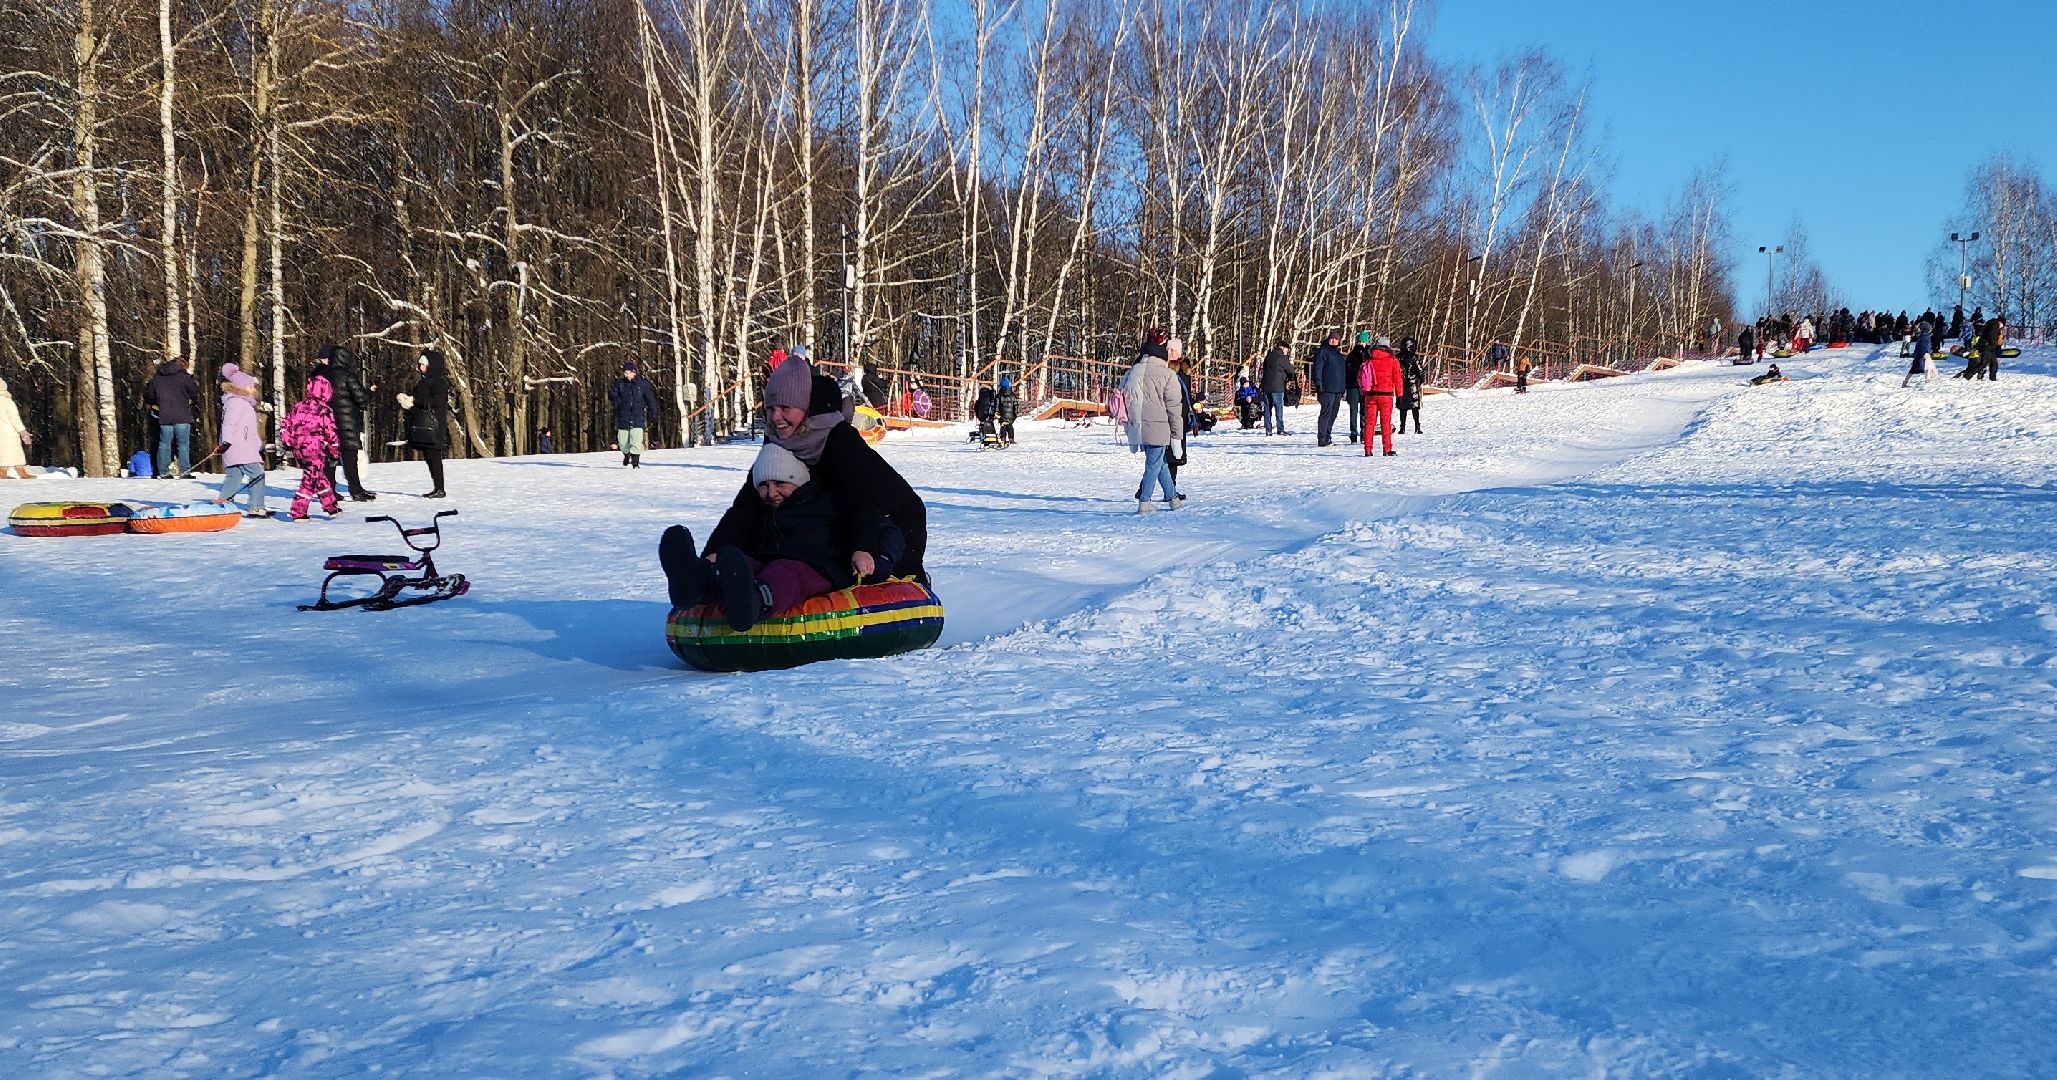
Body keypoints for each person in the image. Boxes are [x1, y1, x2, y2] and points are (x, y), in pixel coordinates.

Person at [710, 356, 929, 583]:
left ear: (804, 407)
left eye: (785, 408)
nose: (776, 417)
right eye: (770, 408)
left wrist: (863, 547)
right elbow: (748, 502)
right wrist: (716, 550)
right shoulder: (779, 434)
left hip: (894, 519)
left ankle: (909, 579)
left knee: (861, 551)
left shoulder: (836, 436)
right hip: (837, 514)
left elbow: (860, 496)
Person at [659, 442, 896, 631]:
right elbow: (737, 526)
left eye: (781, 483)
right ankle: (694, 585)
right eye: (763, 485)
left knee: (785, 573)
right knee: (738, 563)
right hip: (766, 559)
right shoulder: (763, 511)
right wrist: (715, 557)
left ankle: (755, 603)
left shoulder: (828, 504)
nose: (771, 493)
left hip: (816, 565)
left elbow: (882, 530)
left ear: (799, 480)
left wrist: (876, 558)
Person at [1121, 335, 1184, 513]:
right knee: (1153, 464)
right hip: (1159, 427)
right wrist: (1177, 437)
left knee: (1160, 463)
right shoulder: (1168, 374)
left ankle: (1173, 499)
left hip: (1137, 426)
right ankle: (1144, 501)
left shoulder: (1133, 371)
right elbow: (1174, 409)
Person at [279, 375, 342, 520]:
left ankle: (331, 506)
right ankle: (298, 511)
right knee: (310, 479)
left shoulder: (297, 407)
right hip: (315, 447)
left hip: (298, 448)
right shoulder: (324, 410)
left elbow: (285, 426)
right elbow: (330, 432)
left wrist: (288, 442)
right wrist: (334, 451)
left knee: (318, 477)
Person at [212, 363, 270, 517]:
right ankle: (256, 507)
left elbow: (250, 431)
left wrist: (259, 447)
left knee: (234, 476)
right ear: (241, 387)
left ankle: (222, 504)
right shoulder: (236, 402)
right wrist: (226, 442)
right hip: (238, 447)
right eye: (250, 387)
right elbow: (229, 424)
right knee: (257, 474)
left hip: (241, 448)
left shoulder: (243, 403)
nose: (253, 390)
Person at [319, 344, 375, 500]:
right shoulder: (347, 376)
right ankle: (356, 490)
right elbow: (362, 399)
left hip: (327, 423)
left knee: (330, 459)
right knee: (350, 459)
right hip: (347, 424)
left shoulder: (322, 376)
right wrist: (370, 392)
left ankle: (329, 491)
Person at [398, 350, 449, 498]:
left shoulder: (439, 382)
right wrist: (409, 403)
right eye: (420, 364)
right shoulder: (424, 381)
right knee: (429, 458)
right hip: (423, 425)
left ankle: (440, 488)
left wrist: (414, 401)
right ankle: (437, 487)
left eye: (424, 364)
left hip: (434, 426)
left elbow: (437, 401)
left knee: (434, 457)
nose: (421, 367)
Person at [144, 357, 202, 478]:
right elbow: (194, 392)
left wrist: (159, 403)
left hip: (164, 414)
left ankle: (163, 472)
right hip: (182, 415)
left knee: (164, 444)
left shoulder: (157, 377)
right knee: (183, 444)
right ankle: (185, 471)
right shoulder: (184, 377)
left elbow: (149, 394)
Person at [608, 359, 660, 468]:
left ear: (634, 372)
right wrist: (616, 401)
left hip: (638, 417)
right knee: (623, 443)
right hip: (623, 417)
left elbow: (650, 399)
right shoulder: (619, 384)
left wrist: (653, 412)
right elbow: (612, 395)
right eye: (625, 373)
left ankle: (635, 464)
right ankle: (626, 455)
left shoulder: (642, 384)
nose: (627, 375)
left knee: (636, 442)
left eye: (629, 373)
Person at [1359, 336, 1402, 457]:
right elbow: (1398, 379)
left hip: (1370, 395)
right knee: (1385, 423)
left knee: (1369, 422)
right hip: (1386, 395)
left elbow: (1363, 376)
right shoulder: (1392, 360)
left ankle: (1368, 449)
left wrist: (1363, 392)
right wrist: (1399, 395)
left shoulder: (1369, 358)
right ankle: (1387, 449)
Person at [1310, 330, 1349, 446]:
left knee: (1333, 414)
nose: (1334, 341)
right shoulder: (1322, 352)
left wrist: (1344, 387)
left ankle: (1328, 435)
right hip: (1326, 388)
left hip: (1338, 389)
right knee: (1326, 413)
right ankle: (1322, 437)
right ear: (1328, 339)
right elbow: (1318, 369)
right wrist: (1318, 384)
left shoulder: (1339, 354)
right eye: (1332, 338)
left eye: (1336, 339)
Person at [0, 375, 32, 479]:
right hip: (9, 432)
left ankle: (2, 472)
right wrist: (23, 431)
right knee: (15, 451)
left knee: (2, 452)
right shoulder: (7, 401)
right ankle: (21, 471)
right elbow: (14, 418)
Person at [1259, 339, 1292, 435]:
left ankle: (1268, 430)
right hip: (1277, 387)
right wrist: (1289, 378)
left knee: (1267, 408)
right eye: (1287, 350)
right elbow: (1290, 370)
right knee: (1279, 408)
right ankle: (1280, 429)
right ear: (1283, 348)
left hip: (1266, 386)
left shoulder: (1268, 356)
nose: (1287, 352)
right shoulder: (1282, 357)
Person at [1395, 338, 1426, 434]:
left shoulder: (1397, 357)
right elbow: (1420, 370)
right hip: (1413, 384)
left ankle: (1402, 427)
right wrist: (1421, 380)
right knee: (1415, 406)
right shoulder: (1414, 357)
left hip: (1401, 384)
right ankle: (1417, 426)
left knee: (1402, 407)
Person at [1344, 332, 1370, 443]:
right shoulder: (1352, 355)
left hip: (1365, 386)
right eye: (1360, 342)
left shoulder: (1369, 354)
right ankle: (1353, 433)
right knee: (1353, 410)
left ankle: (1364, 432)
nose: (1361, 344)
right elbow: (1348, 369)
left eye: (1363, 342)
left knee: (1365, 410)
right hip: (1353, 385)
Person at [1903, 321, 1933, 388]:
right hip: (1922, 356)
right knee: (1926, 368)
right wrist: (1925, 353)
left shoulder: (1923, 336)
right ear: (1927, 329)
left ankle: (1904, 383)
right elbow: (1924, 346)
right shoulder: (1925, 337)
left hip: (1919, 356)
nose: (1931, 329)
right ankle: (1927, 382)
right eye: (1930, 328)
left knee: (1913, 370)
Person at [1976, 315, 2005, 381]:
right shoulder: (1994, 326)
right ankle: (1969, 374)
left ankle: (1992, 378)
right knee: (1985, 363)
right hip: (1988, 346)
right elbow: (1992, 336)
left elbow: (1998, 339)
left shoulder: (1995, 326)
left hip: (1991, 347)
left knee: (1993, 363)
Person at [994, 375, 1020, 445]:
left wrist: (996, 412)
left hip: (1002, 414)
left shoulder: (999, 395)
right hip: (1011, 415)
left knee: (1003, 426)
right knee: (1010, 426)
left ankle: (1003, 438)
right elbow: (1016, 405)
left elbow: (996, 405)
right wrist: (1016, 413)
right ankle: (1011, 439)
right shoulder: (1012, 395)